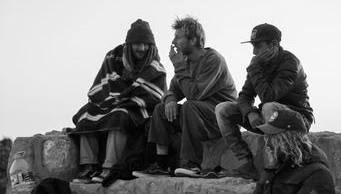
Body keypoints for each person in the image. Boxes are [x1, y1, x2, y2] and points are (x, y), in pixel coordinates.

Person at [132, 16, 237, 178]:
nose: (173, 41)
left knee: (190, 105)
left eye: (178, 37)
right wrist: (171, 99)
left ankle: (193, 164)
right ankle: (161, 166)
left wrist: (178, 65)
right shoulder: (185, 62)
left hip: (220, 118)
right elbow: (172, 90)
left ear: (193, 39)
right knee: (161, 109)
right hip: (196, 116)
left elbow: (194, 94)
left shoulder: (213, 60)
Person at [69, 19, 167, 184]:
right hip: (110, 101)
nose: (141, 48)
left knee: (119, 115)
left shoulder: (155, 67)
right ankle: (88, 166)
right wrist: (112, 99)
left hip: (137, 106)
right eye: (137, 44)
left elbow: (155, 96)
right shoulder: (113, 58)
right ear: (129, 44)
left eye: (145, 44)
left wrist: (125, 98)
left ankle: (109, 167)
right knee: (86, 114)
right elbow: (102, 83)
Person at [215, 23, 314, 180]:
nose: (254, 52)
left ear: (274, 44)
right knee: (223, 109)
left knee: (268, 107)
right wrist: (249, 113)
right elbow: (244, 96)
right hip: (270, 117)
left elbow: (269, 96)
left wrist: (254, 68)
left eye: (258, 46)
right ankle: (246, 164)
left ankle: (279, 163)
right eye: (253, 46)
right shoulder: (259, 63)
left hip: (297, 120)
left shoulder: (290, 62)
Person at [254, 109, 335, 194]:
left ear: (291, 138)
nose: (267, 144)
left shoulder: (317, 174)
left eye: (273, 138)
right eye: (266, 137)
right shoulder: (274, 168)